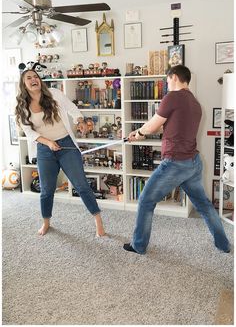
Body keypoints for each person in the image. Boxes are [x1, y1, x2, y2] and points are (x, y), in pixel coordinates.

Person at [123, 64, 230, 255]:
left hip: (175, 163)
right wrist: (140, 133)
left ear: (174, 77)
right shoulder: (195, 103)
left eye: (167, 78)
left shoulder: (172, 97)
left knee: (146, 201)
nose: (166, 82)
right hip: (193, 162)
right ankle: (223, 244)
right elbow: (174, 127)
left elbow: (153, 126)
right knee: (204, 205)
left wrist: (138, 132)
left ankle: (138, 245)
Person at [15, 68, 106, 238]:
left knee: (82, 186)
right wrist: (48, 142)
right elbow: (29, 132)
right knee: (47, 190)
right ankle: (46, 222)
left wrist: (80, 121)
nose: (34, 79)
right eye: (29, 78)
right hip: (44, 149)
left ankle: (98, 222)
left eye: (36, 76)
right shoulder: (22, 106)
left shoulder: (54, 93)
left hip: (66, 145)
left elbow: (71, 108)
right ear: (24, 84)